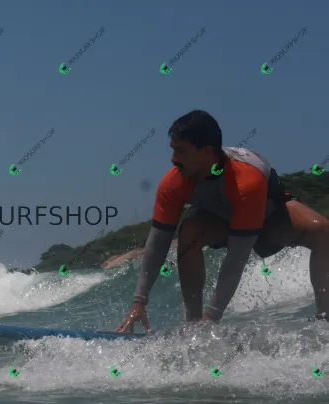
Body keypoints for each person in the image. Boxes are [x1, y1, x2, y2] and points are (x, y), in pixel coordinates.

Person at [116, 110, 329, 332]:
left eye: (180, 151)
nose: (173, 159)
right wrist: (139, 301)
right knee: (189, 232)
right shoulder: (173, 183)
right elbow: (157, 244)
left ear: (206, 151)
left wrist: (212, 317)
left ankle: (324, 320)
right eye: (173, 150)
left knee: (322, 231)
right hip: (219, 222)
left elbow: (236, 258)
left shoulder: (246, 180)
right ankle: (192, 326)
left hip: (269, 219)